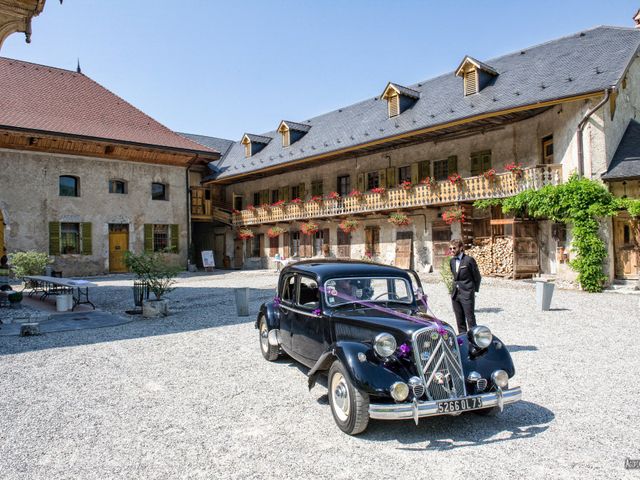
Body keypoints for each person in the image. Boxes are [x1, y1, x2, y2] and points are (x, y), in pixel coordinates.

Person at [449, 238, 481, 334]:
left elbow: (477, 277)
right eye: (450, 249)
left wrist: (472, 290)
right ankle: (463, 340)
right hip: (455, 294)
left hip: (467, 293)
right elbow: (455, 276)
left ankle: (474, 342)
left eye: (454, 248)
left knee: (470, 318)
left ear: (461, 248)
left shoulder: (469, 260)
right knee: (459, 319)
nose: (452, 250)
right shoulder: (452, 261)